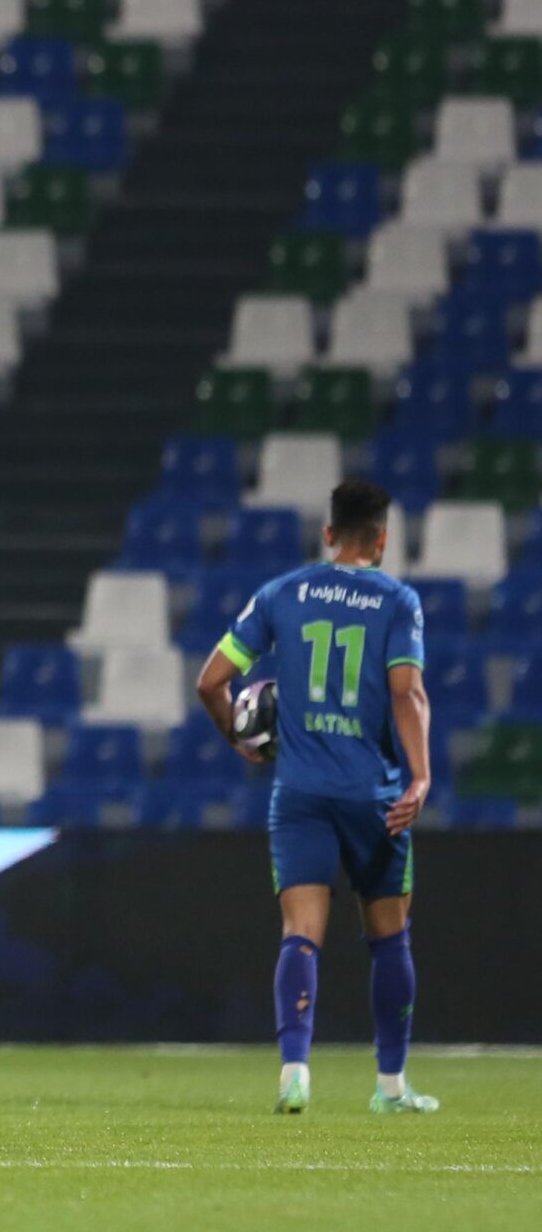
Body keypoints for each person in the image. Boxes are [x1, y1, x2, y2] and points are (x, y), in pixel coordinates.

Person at [194, 478, 436, 1116]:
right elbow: (408, 692)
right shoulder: (397, 601)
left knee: (300, 932)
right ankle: (391, 1087)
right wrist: (420, 778)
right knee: (389, 938)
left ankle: (294, 1073)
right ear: (381, 540)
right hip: (374, 795)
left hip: (300, 793)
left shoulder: (282, 592)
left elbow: (211, 682)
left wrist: (240, 741)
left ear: (329, 534)